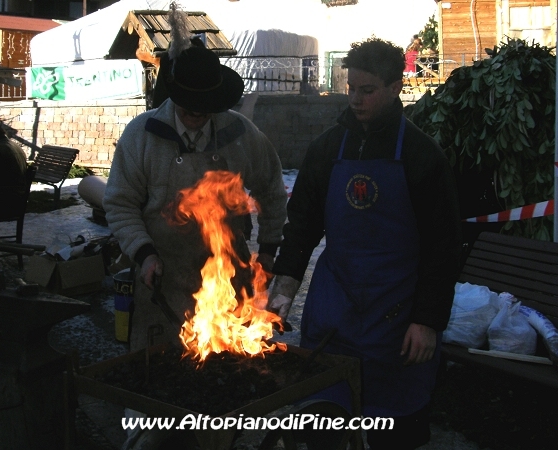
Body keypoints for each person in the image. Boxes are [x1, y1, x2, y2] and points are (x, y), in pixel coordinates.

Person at [267, 37, 462, 449]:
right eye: (350, 87)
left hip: (396, 315)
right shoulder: (324, 151)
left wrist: (427, 321)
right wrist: (284, 286)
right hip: (333, 311)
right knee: (325, 425)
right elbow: (301, 226)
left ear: (395, 88)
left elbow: (443, 247)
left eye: (367, 90)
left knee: (396, 431)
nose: (355, 98)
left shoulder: (422, 155)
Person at [103, 43, 288, 352]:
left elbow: (271, 189)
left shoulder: (241, 134)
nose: (196, 113)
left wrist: (268, 249)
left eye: (204, 106)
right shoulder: (141, 136)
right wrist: (144, 253)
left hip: (229, 282)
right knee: (157, 381)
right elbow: (120, 205)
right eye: (189, 104)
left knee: (229, 376)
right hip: (162, 280)